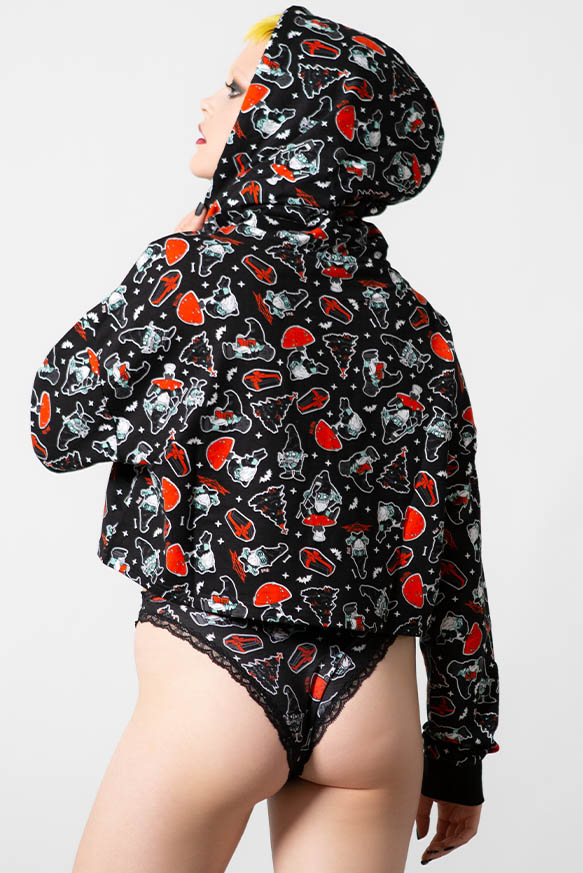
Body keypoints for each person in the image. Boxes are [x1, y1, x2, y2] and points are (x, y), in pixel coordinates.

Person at [29, 5, 500, 871]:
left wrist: (169, 269)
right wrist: (458, 748)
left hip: (216, 678)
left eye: (238, 88)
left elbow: (58, 429)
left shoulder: (192, 269)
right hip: (374, 707)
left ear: (291, 126)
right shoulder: (416, 323)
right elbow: (452, 545)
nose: (208, 102)